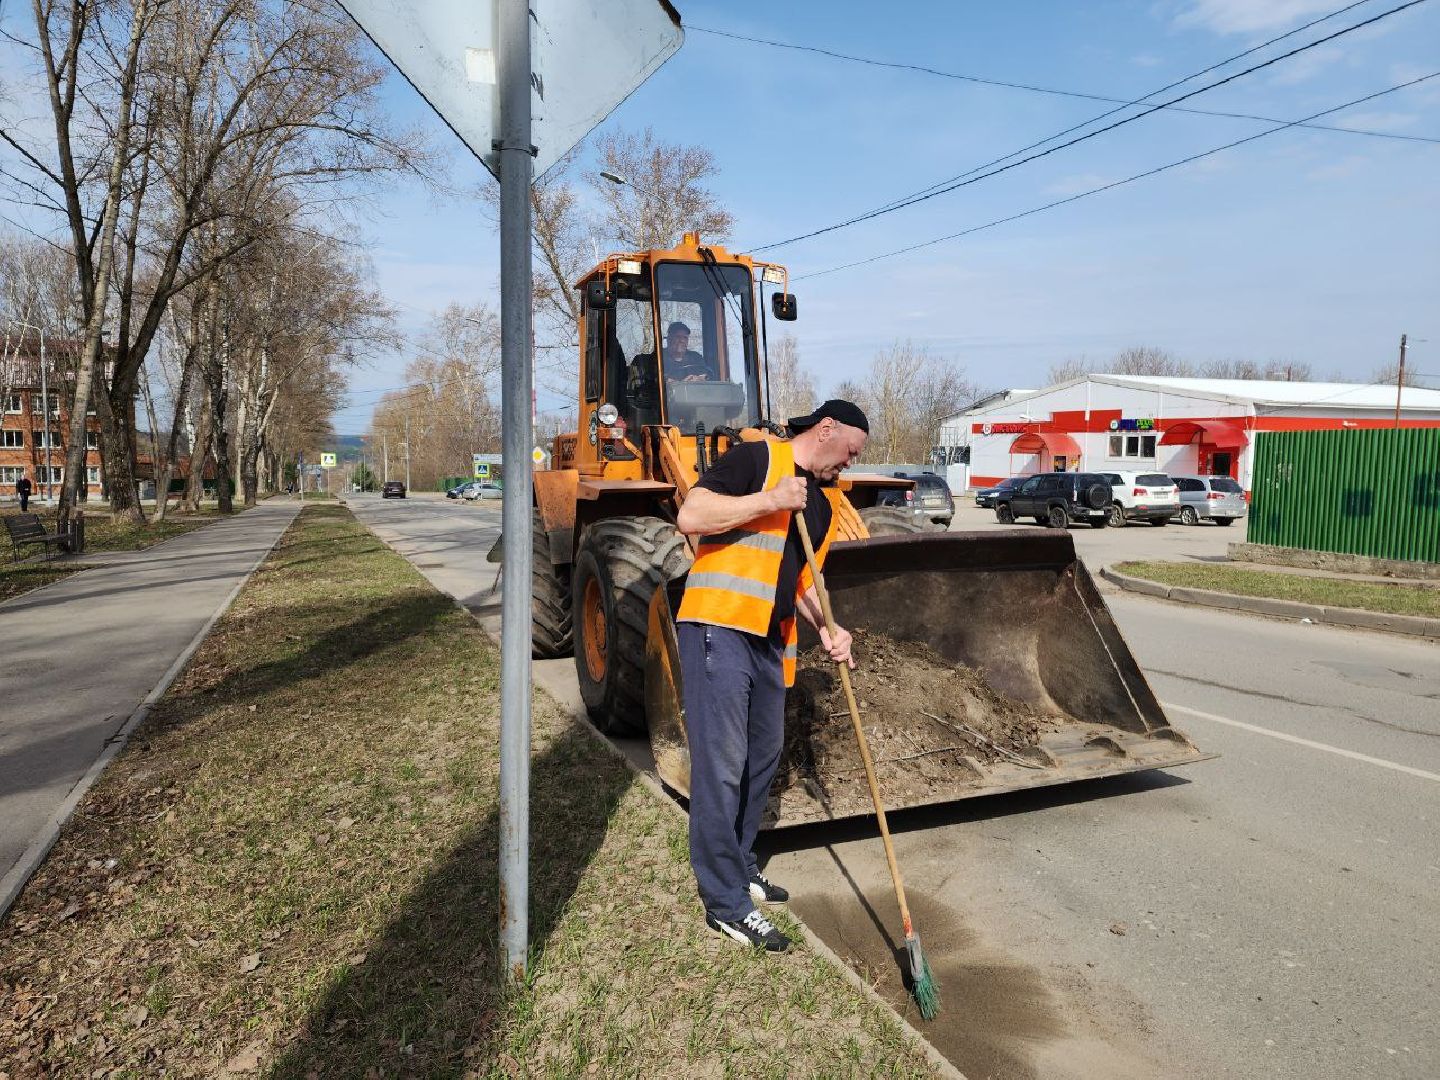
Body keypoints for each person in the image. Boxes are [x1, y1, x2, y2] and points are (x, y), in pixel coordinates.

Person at [673, 399, 867, 951]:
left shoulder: (826, 502)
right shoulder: (758, 458)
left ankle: (738, 863)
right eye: (850, 450)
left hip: (770, 641)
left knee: (763, 754)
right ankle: (725, 902)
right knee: (723, 762)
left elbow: (803, 582)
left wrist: (829, 627)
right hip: (719, 625)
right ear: (826, 429)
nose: (849, 462)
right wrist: (770, 500)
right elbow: (691, 516)